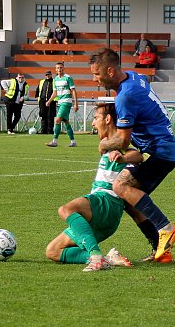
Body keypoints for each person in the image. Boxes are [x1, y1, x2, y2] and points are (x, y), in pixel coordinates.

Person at [89, 48, 175, 262]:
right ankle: (160, 249)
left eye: (97, 74)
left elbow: (122, 140)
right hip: (161, 148)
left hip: (159, 151)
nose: (95, 79)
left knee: (120, 187)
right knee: (130, 199)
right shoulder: (133, 76)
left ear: (110, 71)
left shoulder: (125, 96)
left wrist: (103, 144)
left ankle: (166, 228)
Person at [45, 103, 141, 271]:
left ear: (108, 119)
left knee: (66, 210)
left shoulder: (120, 142)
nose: (93, 123)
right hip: (105, 215)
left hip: (107, 202)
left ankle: (96, 257)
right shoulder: (106, 144)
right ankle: (106, 258)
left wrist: (123, 157)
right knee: (53, 251)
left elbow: (138, 155)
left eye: (96, 118)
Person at [46, 62, 78, 147]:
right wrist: (49, 101)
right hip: (60, 102)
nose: (59, 69)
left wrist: (76, 103)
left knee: (57, 120)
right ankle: (73, 142)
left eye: (61, 68)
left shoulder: (68, 78)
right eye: (58, 68)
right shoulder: (55, 79)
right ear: (55, 69)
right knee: (65, 121)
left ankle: (54, 141)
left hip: (66, 102)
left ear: (63, 68)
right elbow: (55, 92)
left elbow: (73, 90)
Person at [35, 70, 56, 134]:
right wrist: (38, 99)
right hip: (42, 101)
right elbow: (38, 90)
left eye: (48, 75)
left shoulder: (54, 81)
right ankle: (43, 130)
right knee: (43, 116)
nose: (47, 76)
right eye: (46, 75)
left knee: (50, 116)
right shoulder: (42, 82)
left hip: (52, 101)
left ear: (51, 75)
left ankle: (50, 130)